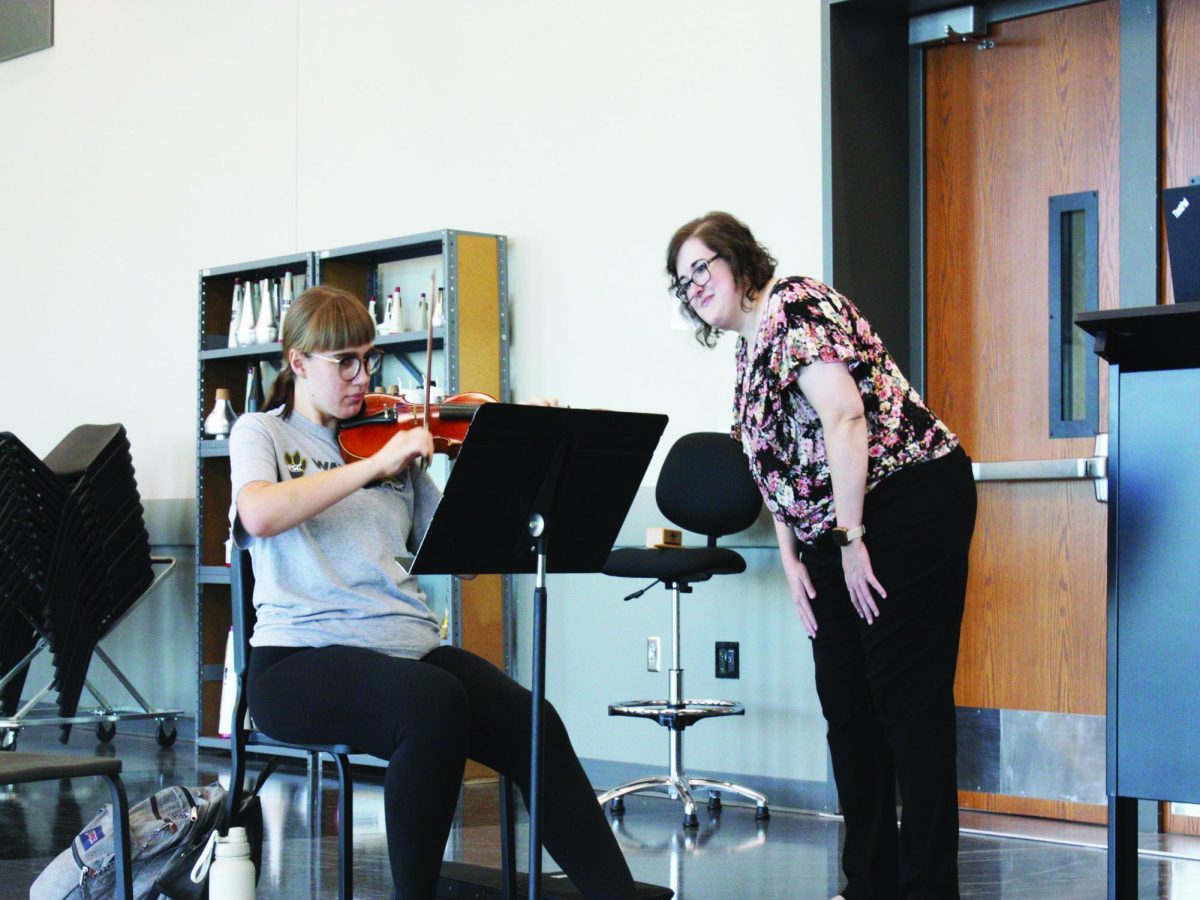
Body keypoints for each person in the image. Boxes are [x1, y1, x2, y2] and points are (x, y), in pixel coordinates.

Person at [228, 285, 638, 900]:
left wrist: (515, 456)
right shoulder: (262, 433)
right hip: (296, 660)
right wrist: (375, 466)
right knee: (433, 702)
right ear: (297, 363)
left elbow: (465, 560)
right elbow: (258, 515)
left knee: (535, 723)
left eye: (368, 358)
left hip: (406, 651)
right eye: (345, 362)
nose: (363, 377)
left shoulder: (396, 449)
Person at [666, 212, 977, 899]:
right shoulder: (749, 350)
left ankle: (929, 886)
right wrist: (793, 552)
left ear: (739, 260)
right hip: (835, 527)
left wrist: (852, 539)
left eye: (703, 267)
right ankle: (868, 881)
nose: (694, 286)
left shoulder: (796, 305)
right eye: (683, 280)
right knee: (846, 702)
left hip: (906, 497)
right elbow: (771, 462)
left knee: (906, 699)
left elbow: (845, 417)